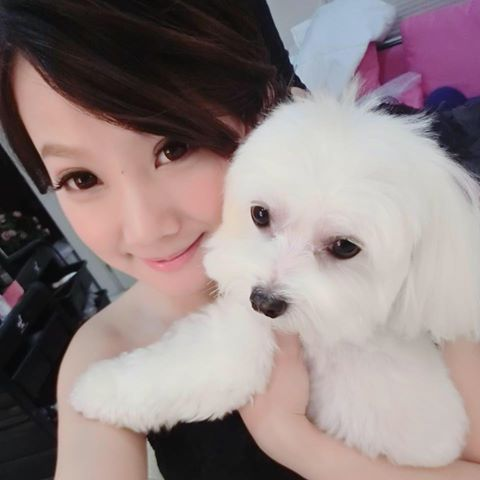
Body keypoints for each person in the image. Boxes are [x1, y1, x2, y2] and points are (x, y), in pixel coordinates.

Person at [0, 1, 479, 479]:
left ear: (265, 108)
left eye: (175, 147)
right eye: (80, 178)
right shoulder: (102, 350)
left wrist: (292, 441)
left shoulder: (427, 249)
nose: (146, 227)